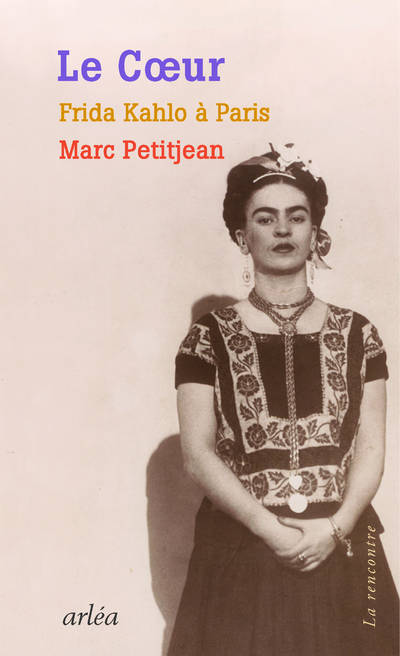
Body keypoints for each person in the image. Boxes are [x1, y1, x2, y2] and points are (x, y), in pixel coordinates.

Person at [167, 143, 399, 656]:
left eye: (297, 217)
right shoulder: (207, 338)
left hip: (341, 547)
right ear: (241, 236)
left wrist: (335, 529)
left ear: (315, 234)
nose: (282, 230)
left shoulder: (360, 334)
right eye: (265, 218)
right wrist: (270, 530)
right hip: (243, 548)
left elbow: (372, 450)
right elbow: (197, 455)